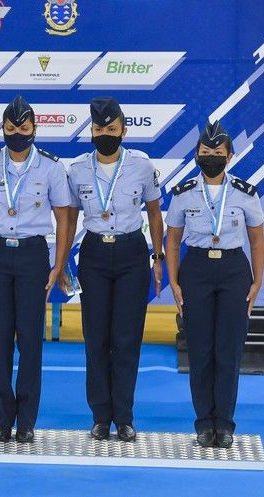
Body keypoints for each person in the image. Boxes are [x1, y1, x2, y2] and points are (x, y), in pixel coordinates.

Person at [0, 97, 73, 443]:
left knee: (30, 342)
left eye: (24, 128)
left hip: (33, 257)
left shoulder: (51, 168)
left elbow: (63, 218)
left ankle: (26, 421)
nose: (18, 134)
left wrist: (58, 264)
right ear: (3, 129)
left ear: (34, 130)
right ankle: (2, 418)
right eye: (11, 129)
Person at [66, 97, 164, 442]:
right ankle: (100, 417)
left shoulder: (141, 165)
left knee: (126, 339)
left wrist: (158, 257)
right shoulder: (77, 168)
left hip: (131, 253)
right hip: (93, 254)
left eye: (110, 129)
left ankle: (124, 417)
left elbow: (154, 212)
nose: (104, 134)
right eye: (97, 129)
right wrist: (63, 260)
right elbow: (70, 217)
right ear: (90, 131)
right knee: (96, 338)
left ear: (123, 130)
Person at [165, 121, 264, 449]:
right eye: (205, 152)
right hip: (196, 270)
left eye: (217, 153)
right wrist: (175, 283)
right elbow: (174, 242)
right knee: (201, 350)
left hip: (235, 270)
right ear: (196, 155)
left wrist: (257, 281)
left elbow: (257, 240)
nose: (211, 157)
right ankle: (203, 423)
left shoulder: (245, 193)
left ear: (230, 155)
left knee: (228, 351)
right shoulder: (182, 194)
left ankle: (225, 423)